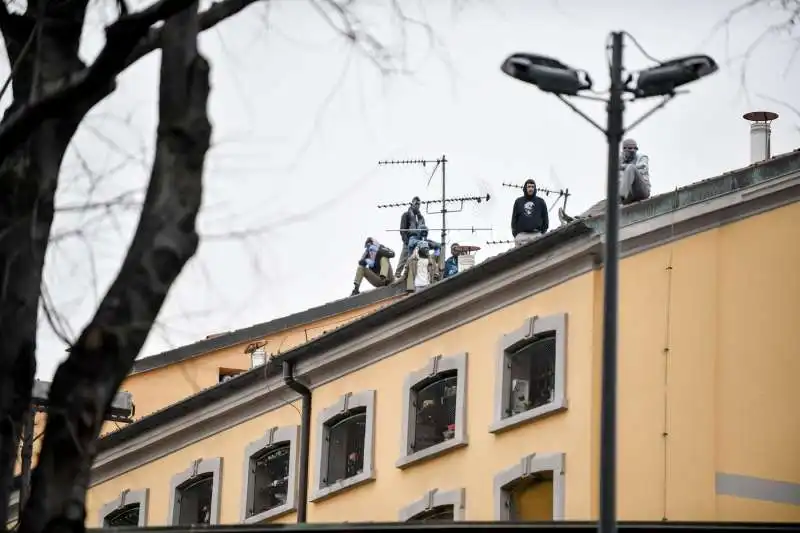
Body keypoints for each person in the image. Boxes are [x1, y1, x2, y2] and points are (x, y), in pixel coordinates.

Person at [558, 138, 651, 223]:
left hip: (641, 190)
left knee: (631, 168)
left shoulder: (642, 157)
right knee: (604, 203)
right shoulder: (619, 159)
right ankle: (577, 219)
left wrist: (622, 167)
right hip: (627, 195)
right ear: (624, 149)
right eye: (629, 149)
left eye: (634, 149)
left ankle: (620, 199)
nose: (632, 151)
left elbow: (641, 169)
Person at [511, 178, 549, 247]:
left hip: (536, 234)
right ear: (525, 188)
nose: (531, 189)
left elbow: (545, 219)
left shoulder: (540, 202)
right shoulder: (518, 202)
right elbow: (514, 219)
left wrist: (542, 232)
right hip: (521, 236)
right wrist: (516, 234)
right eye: (529, 187)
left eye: (532, 187)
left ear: (535, 188)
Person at [396, 196, 425, 280]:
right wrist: (406, 241)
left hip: (418, 241)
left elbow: (423, 229)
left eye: (419, 204)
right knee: (404, 257)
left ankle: (414, 275)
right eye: (416, 203)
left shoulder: (420, 217)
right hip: (408, 240)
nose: (417, 206)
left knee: (417, 259)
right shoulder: (406, 215)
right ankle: (397, 274)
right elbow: (402, 229)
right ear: (412, 203)